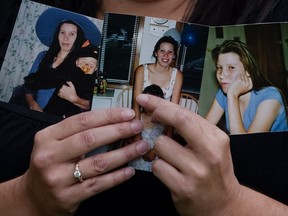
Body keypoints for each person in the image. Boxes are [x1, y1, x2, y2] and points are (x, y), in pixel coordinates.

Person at [1, 0, 288, 215]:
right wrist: (27, 197)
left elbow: (181, 119)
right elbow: (137, 110)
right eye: (220, 68)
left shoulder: (270, 15)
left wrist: (230, 205)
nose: (222, 75)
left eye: (170, 52)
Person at [24, 7, 101, 113]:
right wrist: (33, 105)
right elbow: (28, 88)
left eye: (72, 34)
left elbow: (94, 103)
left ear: (78, 38)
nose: (66, 38)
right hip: (34, 113)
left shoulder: (82, 63)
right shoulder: (42, 57)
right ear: (57, 35)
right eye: (62, 32)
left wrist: (74, 98)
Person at [205, 40, 288, 134]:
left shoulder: (270, 96)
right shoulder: (223, 93)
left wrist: (232, 96)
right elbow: (203, 129)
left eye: (231, 68)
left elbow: (246, 146)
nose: (221, 75)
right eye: (219, 68)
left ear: (248, 71)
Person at [24, 41, 99, 118]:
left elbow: (96, 102)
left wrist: (75, 99)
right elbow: (54, 76)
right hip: (56, 109)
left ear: (95, 69)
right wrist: (33, 80)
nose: (86, 66)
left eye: (91, 65)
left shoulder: (95, 82)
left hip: (77, 115)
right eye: (83, 62)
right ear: (76, 62)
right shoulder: (71, 72)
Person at [133, 36, 183, 139]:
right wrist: (137, 134)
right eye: (162, 51)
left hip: (163, 124)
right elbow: (136, 105)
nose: (166, 55)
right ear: (156, 53)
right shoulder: (141, 70)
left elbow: (173, 110)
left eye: (170, 52)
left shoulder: (177, 75)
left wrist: (167, 138)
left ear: (174, 56)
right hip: (142, 121)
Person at [129, 84, 165, 172]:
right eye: (147, 104)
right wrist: (142, 151)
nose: (149, 107)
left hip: (155, 156)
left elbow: (165, 140)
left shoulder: (163, 122)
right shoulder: (138, 117)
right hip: (139, 155)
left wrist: (155, 151)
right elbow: (131, 139)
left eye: (153, 104)